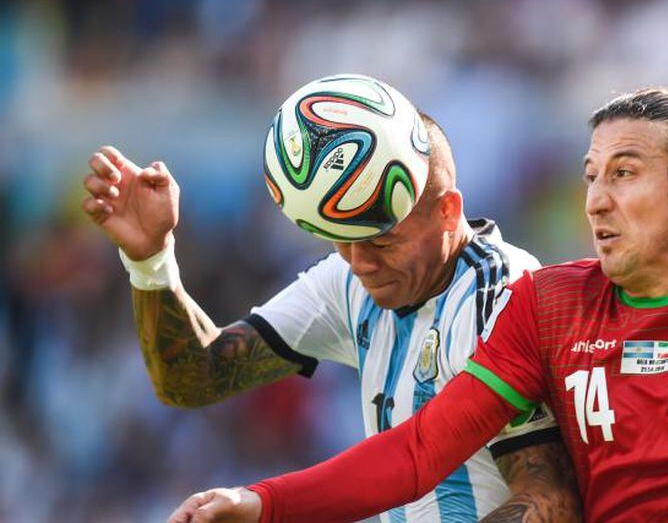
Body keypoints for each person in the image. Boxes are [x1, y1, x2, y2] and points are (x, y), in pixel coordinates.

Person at [171, 87, 668, 522]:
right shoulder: (551, 305)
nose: (597, 200)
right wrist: (264, 504)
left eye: (625, 173)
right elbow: (421, 449)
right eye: (590, 176)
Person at [80, 114, 581, 523]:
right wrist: (151, 261)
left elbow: (550, 497)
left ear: (448, 212)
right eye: (342, 241)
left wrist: (265, 504)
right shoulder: (349, 281)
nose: (360, 263)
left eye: (382, 241)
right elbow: (195, 378)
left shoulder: (500, 294)